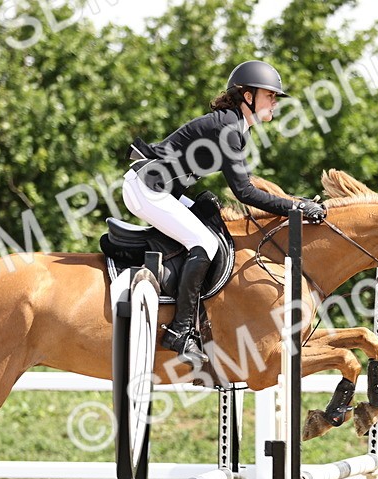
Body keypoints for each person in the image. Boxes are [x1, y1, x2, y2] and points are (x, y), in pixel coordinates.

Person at [121, 59, 327, 368]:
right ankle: (180, 330)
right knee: (205, 243)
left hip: (161, 190)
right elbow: (244, 192)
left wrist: (292, 203)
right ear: (247, 96)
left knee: (214, 227)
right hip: (147, 188)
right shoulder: (228, 128)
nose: (274, 102)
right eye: (269, 95)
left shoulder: (233, 126)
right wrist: (294, 207)